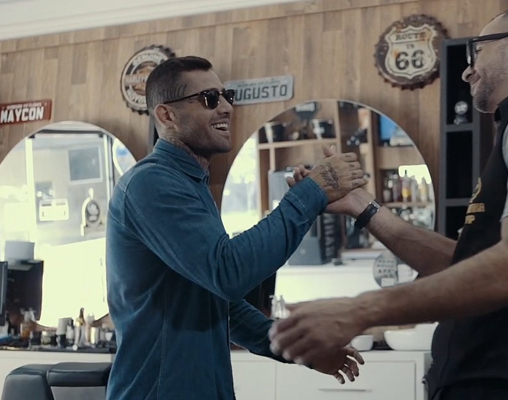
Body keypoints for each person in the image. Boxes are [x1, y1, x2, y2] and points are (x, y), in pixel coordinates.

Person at [269, 3, 508, 400]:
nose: (468, 69)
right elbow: (467, 263)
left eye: (477, 50)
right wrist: (363, 207)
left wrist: (357, 310)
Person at [105, 56, 366, 400]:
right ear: (166, 115)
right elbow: (228, 272)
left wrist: (299, 348)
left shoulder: (190, 184)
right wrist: (311, 193)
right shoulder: (151, 184)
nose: (226, 107)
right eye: (209, 99)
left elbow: (220, 301)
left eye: (227, 96)